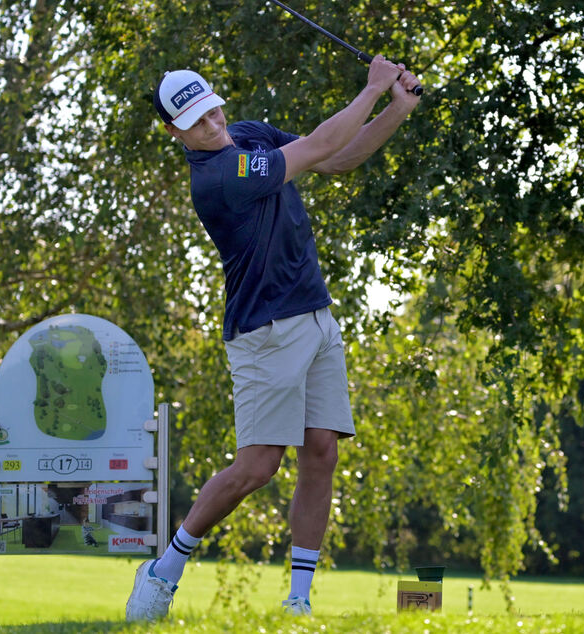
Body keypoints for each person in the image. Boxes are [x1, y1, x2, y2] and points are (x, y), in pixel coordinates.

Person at [125, 56, 421, 621]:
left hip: (314, 314)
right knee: (257, 468)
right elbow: (313, 146)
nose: (209, 122)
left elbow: (338, 157)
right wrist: (373, 88)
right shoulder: (215, 179)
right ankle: (165, 569)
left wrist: (395, 110)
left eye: (209, 107)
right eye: (193, 119)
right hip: (263, 332)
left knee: (322, 452)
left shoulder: (251, 135)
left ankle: (298, 601)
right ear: (174, 131)